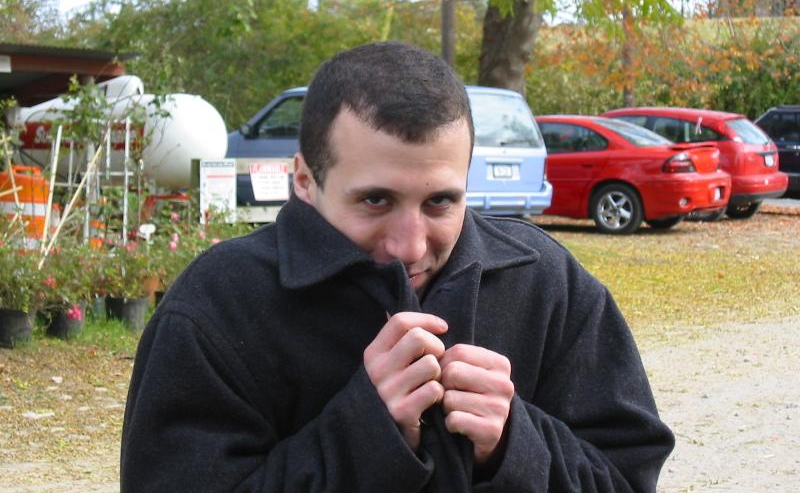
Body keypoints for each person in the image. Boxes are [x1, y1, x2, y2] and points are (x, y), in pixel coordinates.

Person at [121, 41, 674, 492]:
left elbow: (627, 479)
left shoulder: (544, 282)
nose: (410, 246)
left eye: (440, 202)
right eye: (375, 200)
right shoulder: (218, 306)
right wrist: (366, 435)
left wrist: (514, 444)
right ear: (305, 180)